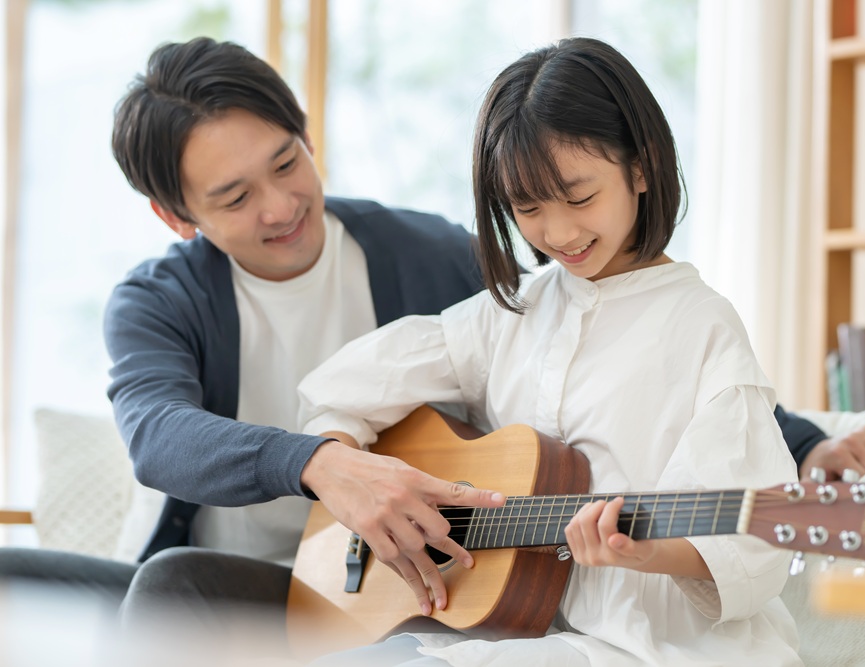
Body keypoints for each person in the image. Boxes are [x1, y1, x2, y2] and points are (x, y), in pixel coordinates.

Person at [297, 37, 803, 667]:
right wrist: (358, 482)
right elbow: (341, 389)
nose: (558, 233)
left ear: (641, 167)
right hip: (518, 636)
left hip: (651, 646)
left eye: (581, 197)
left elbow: (756, 543)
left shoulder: (701, 325)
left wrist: (644, 551)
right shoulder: (509, 314)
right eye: (528, 208)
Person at [0, 35, 506, 630]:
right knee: (138, 584)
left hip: (395, 584)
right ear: (176, 216)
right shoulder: (158, 300)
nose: (280, 207)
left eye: (287, 163)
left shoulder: (437, 255)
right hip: (232, 585)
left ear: (308, 137)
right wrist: (317, 463)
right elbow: (158, 433)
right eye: (236, 197)